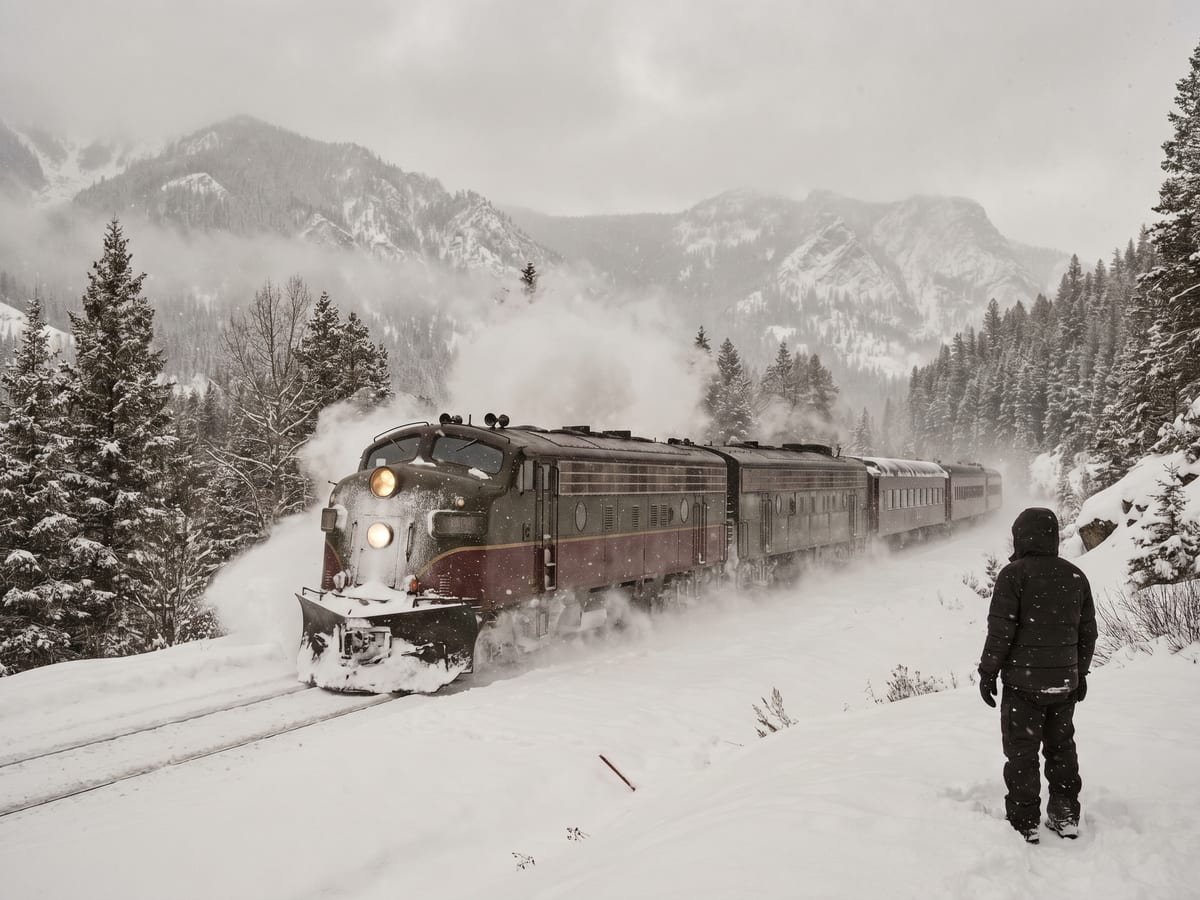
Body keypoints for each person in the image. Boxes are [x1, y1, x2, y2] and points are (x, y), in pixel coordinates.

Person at [977, 507, 1097, 844]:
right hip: (1063, 685)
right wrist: (1080, 672)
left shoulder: (1013, 575)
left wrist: (988, 672)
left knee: (1022, 753)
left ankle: (1024, 820)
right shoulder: (1075, 576)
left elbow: (1000, 632)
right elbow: (1088, 633)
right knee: (1061, 749)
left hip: (1023, 686)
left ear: (1020, 536)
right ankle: (1065, 815)